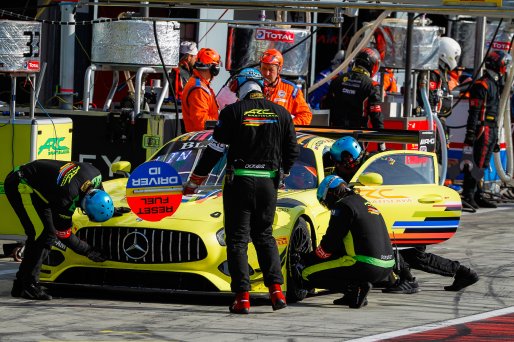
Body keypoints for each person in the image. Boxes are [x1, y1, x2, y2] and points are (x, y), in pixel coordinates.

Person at [182, 68, 299, 314]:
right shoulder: (283, 113)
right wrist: (282, 174)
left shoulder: (232, 112)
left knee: (237, 241)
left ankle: (242, 298)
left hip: (240, 183)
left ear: (240, 87)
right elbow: (292, 152)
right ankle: (276, 292)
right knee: (265, 237)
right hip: (268, 183)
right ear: (261, 87)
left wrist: (194, 181)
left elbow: (214, 150)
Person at [328, 136, 479, 294]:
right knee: (414, 256)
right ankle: (463, 273)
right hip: (401, 208)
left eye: (339, 164)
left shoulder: (376, 166)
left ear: (349, 160)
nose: (337, 167)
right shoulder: (368, 163)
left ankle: (407, 280)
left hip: (408, 208)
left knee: (389, 246)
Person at [4, 160, 114, 300]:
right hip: (22, 184)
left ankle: (20, 285)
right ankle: (29, 285)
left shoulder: (96, 174)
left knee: (46, 233)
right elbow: (63, 234)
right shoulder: (67, 198)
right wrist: (88, 250)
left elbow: (100, 196)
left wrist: (112, 210)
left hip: (43, 184)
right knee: (42, 234)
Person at [300, 175, 395, 308]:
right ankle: (352, 294)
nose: (326, 205)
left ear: (332, 193)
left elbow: (329, 244)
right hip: (387, 267)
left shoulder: (342, 206)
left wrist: (308, 258)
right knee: (343, 258)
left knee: (306, 274)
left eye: (324, 201)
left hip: (366, 265)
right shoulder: (365, 203)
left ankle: (355, 288)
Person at [462, 50, 512, 209]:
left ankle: (478, 194)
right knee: (476, 163)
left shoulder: (496, 84)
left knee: (483, 164)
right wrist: (471, 133)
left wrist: (496, 138)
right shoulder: (481, 84)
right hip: (482, 129)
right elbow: (474, 111)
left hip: (491, 129)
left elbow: (497, 111)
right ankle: (468, 194)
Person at [326, 48, 385, 132]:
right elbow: (376, 115)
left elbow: (327, 105)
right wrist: (381, 141)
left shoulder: (337, 79)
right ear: (373, 65)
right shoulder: (372, 85)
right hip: (358, 134)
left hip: (336, 132)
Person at [259, 48, 313, 125]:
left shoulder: (291, 90)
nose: (267, 73)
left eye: (271, 70)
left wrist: (288, 126)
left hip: (280, 135)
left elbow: (306, 115)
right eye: (264, 69)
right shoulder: (252, 86)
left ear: (279, 69)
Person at [181, 47, 221, 132]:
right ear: (214, 69)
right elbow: (202, 123)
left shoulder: (201, 85)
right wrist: (223, 124)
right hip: (202, 140)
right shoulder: (199, 90)